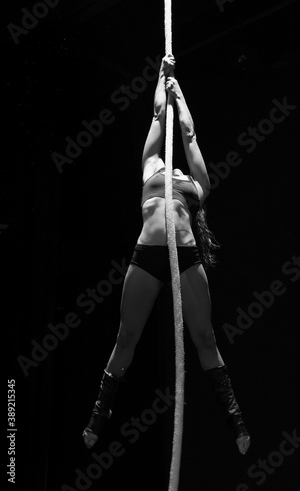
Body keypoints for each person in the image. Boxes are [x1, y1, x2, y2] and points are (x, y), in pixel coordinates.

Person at [82, 54, 250, 455]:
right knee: (126, 335)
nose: (173, 173)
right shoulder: (150, 166)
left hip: (186, 256)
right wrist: (162, 76)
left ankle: (237, 420)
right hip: (147, 255)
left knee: (205, 336)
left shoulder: (197, 182)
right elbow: (159, 118)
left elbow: (188, 134)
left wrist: (181, 94)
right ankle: (98, 415)